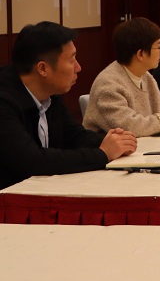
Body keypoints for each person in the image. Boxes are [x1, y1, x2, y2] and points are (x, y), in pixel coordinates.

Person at [0, 22, 137, 190]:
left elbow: (75, 136)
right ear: (43, 68)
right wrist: (102, 155)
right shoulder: (4, 101)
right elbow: (31, 161)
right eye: (72, 60)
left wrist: (116, 142)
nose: (78, 67)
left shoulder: (50, 95)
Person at [83, 17, 160, 136]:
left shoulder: (145, 76)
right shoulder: (108, 83)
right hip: (108, 146)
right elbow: (129, 126)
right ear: (141, 54)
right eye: (158, 47)